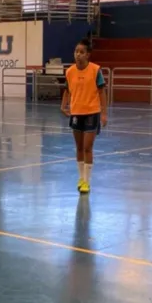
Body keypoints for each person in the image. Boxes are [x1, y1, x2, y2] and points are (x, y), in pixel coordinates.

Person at [60, 39, 107, 194]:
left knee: (87, 147)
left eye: (81, 52)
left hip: (92, 113)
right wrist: (63, 105)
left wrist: (104, 113)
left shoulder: (95, 70)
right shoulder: (70, 71)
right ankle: (81, 178)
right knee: (79, 147)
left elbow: (101, 92)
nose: (78, 54)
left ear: (88, 54)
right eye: (76, 51)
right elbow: (67, 90)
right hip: (76, 113)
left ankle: (87, 181)